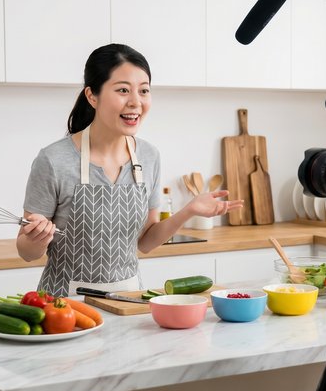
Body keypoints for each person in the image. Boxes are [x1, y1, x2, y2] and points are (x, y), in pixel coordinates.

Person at [16, 44, 243, 296]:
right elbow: (26, 252)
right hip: (65, 308)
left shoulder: (149, 156)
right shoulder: (53, 159)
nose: (136, 102)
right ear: (92, 96)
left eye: (143, 91)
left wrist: (189, 210)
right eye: (123, 90)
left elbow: (145, 242)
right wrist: (38, 238)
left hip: (129, 301)